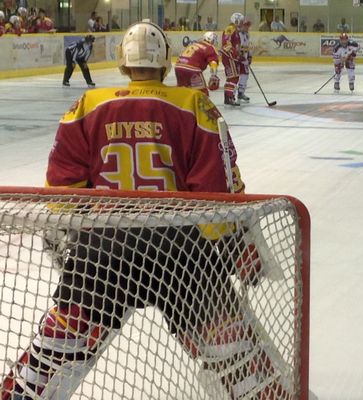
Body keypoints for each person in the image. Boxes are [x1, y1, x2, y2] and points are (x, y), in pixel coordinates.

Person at [1, 19, 292, 400]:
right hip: (182, 251)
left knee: (56, 350)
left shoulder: (85, 105)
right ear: (165, 63)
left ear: (123, 62)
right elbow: (217, 191)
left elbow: (62, 189)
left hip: (104, 249)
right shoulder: (194, 105)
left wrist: (73, 238)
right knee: (233, 352)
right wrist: (237, 248)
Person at [175, 31, 220, 96]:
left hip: (178, 67)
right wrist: (214, 75)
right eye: (214, 40)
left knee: (183, 92)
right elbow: (213, 63)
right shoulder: (210, 47)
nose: (215, 42)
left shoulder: (194, 44)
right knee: (202, 94)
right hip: (192, 69)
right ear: (210, 39)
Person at [220, 12, 244, 106]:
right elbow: (227, 43)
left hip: (231, 56)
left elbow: (235, 45)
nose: (242, 23)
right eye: (241, 21)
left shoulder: (235, 30)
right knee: (234, 77)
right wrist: (236, 55)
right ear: (236, 20)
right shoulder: (230, 28)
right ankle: (230, 97)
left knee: (231, 77)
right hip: (230, 57)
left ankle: (227, 97)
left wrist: (239, 53)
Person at [237, 17, 253, 102]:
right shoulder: (237, 34)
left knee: (245, 75)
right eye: (246, 25)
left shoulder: (247, 35)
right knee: (235, 76)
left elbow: (247, 46)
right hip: (237, 58)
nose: (247, 27)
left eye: (248, 26)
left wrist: (249, 56)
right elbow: (237, 47)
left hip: (244, 59)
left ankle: (241, 93)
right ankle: (230, 94)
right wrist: (240, 56)